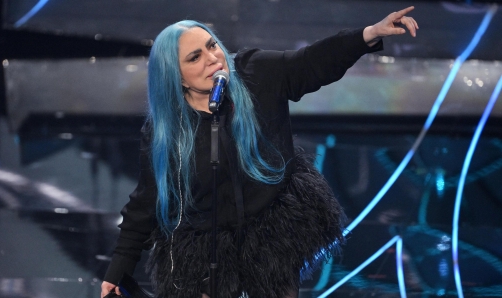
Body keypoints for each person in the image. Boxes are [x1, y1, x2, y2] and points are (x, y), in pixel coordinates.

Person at [101, 6, 418, 298]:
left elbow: (310, 62)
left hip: (269, 229)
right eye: (194, 57)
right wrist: (118, 270)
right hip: (204, 240)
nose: (212, 58)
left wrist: (367, 36)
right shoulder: (162, 131)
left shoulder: (255, 72)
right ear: (176, 76)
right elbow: (146, 200)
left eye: (212, 46)